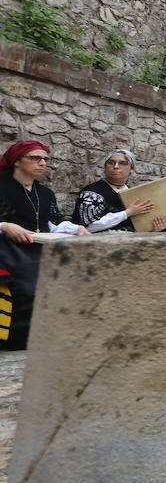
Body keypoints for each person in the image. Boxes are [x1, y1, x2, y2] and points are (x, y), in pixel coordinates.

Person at [0, 141, 90, 349]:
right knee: (28, 287)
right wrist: (5, 226)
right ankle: (15, 341)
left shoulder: (45, 193)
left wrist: (75, 229)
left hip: (39, 248)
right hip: (7, 249)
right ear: (16, 161)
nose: (42, 163)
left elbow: (53, 222)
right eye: (35, 158)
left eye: (45, 159)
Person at [72, 148, 157, 232]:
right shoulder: (91, 193)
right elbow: (87, 227)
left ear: (131, 169)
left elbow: (139, 225)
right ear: (105, 167)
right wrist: (127, 213)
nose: (116, 166)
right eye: (111, 163)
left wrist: (154, 228)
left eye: (122, 163)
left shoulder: (132, 194)